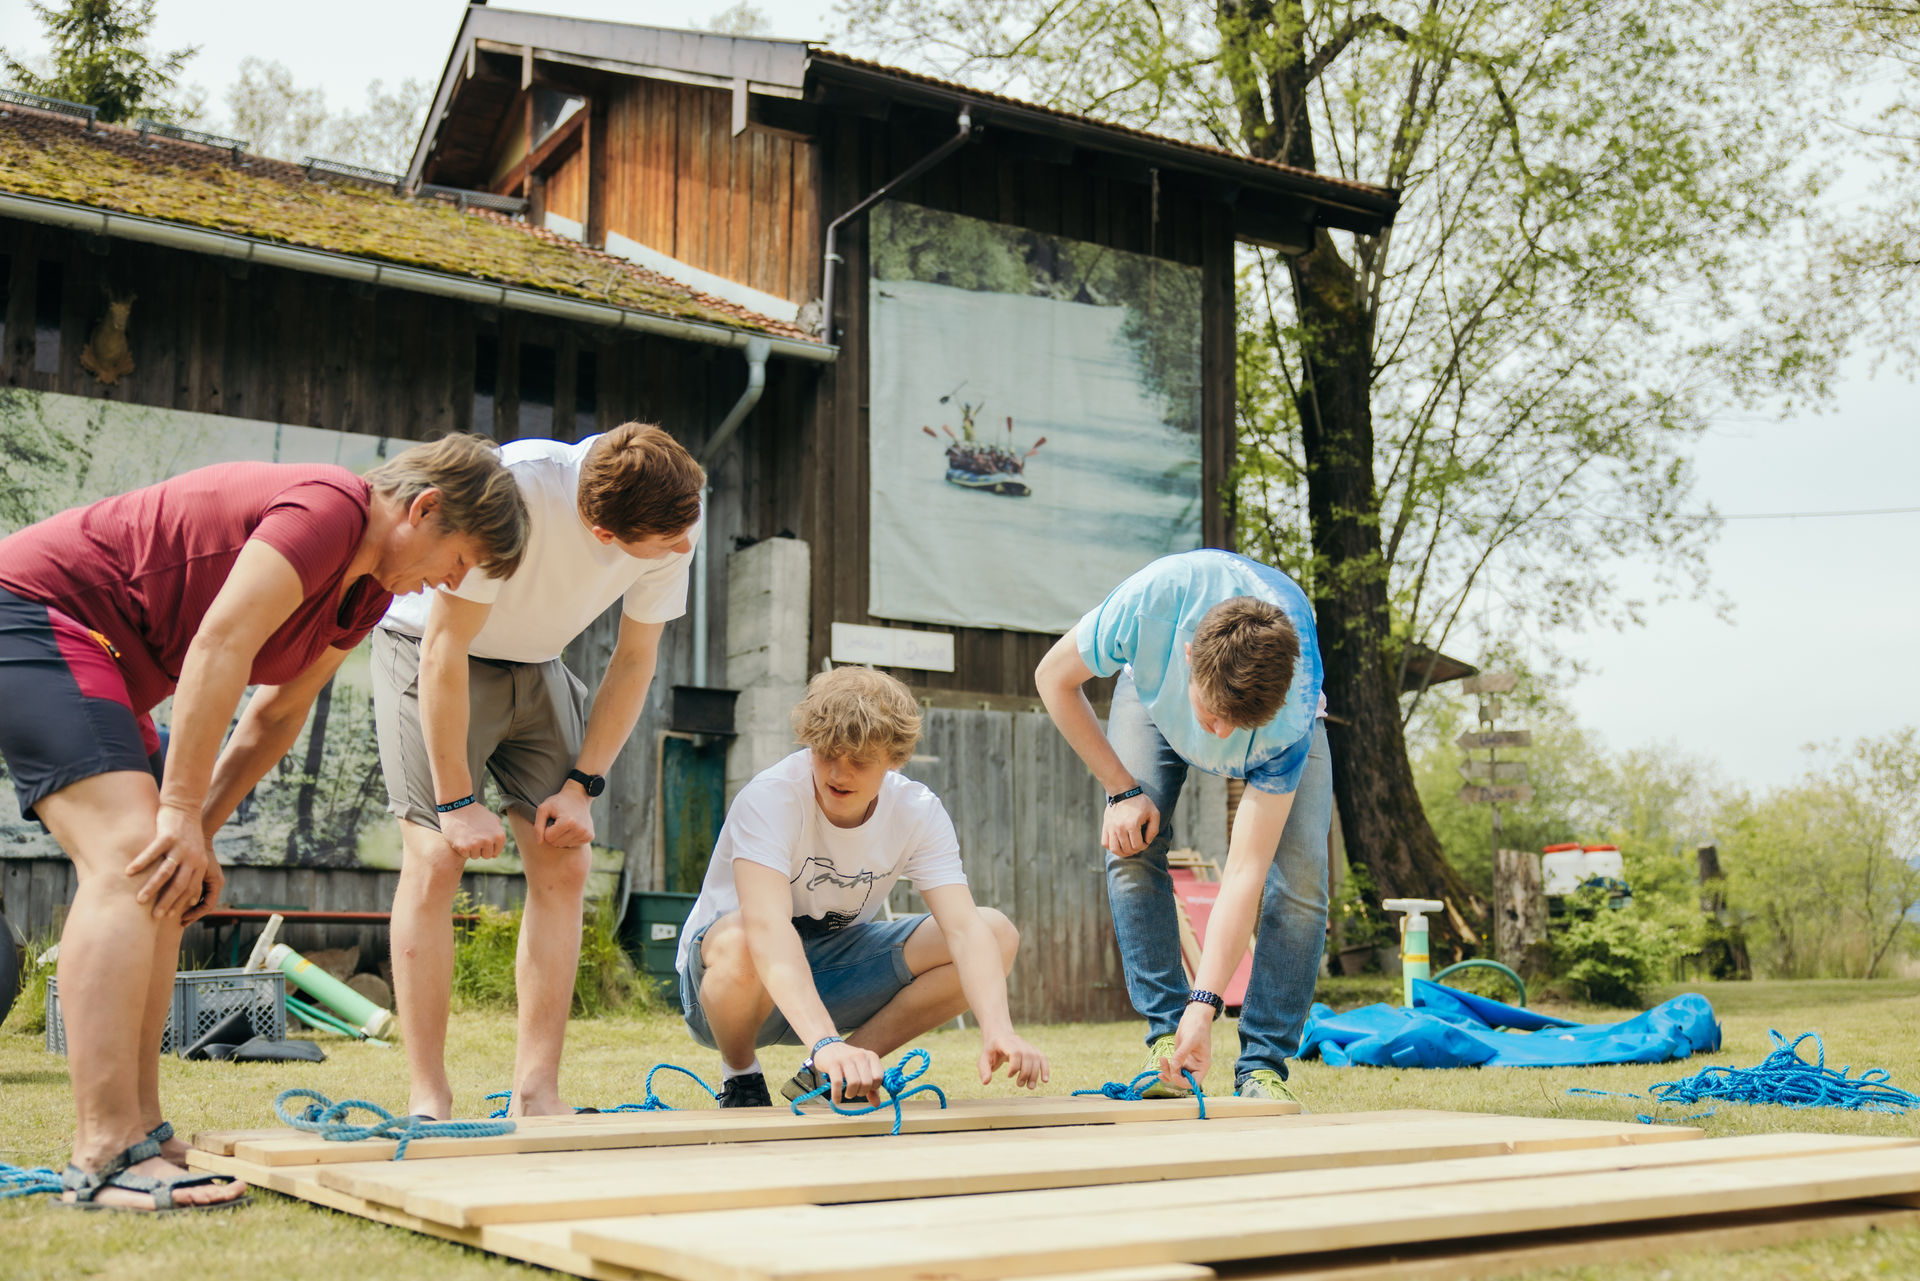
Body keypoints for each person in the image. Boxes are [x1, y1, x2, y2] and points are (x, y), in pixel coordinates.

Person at [0, 434, 527, 1212]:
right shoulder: (330, 508)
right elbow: (221, 642)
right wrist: (177, 812)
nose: (451, 582)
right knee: (129, 860)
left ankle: (141, 1133)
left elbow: (276, 713)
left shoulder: (366, 595)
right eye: (459, 560)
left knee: (167, 880)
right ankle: (104, 1152)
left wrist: (198, 831)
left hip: (107, 659)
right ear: (424, 509)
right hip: (33, 612)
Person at [376, 423, 703, 1120]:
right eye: (667, 541)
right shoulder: (516, 489)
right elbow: (445, 646)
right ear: (604, 534)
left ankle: (537, 1092)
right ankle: (428, 1095)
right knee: (434, 857)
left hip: (537, 662)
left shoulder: (675, 514)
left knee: (565, 862)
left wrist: (582, 786)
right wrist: (455, 801)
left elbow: (634, 659)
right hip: (433, 651)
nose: (684, 548)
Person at [676, 666, 1049, 1108]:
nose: (839, 772)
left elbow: (965, 930)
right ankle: (742, 1077)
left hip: (831, 971)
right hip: (727, 990)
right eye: (827, 753)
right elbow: (767, 929)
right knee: (742, 938)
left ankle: (828, 1078)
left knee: (995, 931)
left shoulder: (917, 811)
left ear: (894, 759)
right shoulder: (771, 797)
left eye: (859, 759)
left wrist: (999, 1029)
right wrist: (824, 1040)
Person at [1034, 549, 1331, 1104]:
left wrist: (1206, 1003)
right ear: (1190, 656)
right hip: (1153, 697)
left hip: (1275, 731)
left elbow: (1243, 872)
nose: (1219, 737)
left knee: (1302, 880)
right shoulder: (1147, 606)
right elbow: (1051, 678)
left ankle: (1262, 1067)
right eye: (1212, 716)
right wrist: (1122, 791)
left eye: (1235, 725)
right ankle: (1167, 1042)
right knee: (1129, 843)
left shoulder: (1289, 715)